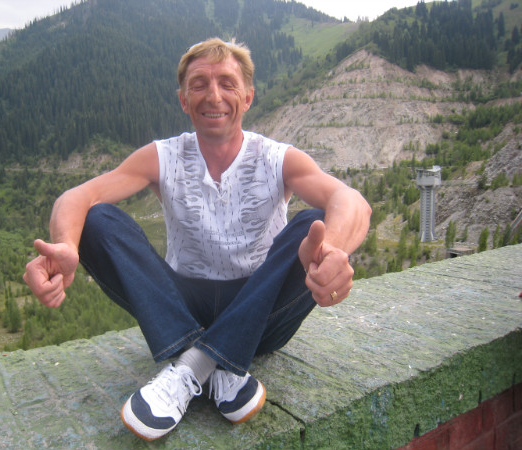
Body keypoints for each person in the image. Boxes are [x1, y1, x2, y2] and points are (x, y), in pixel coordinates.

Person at [23, 38, 371, 441]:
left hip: (262, 311)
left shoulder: (277, 158)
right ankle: (220, 362)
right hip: (183, 305)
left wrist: (334, 250)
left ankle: (191, 365)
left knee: (314, 224)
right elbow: (78, 197)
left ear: (248, 97)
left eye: (227, 83)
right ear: (184, 100)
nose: (214, 96)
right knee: (97, 220)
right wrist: (66, 245)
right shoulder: (163, 156)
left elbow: (350, 201)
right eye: (199, 84)